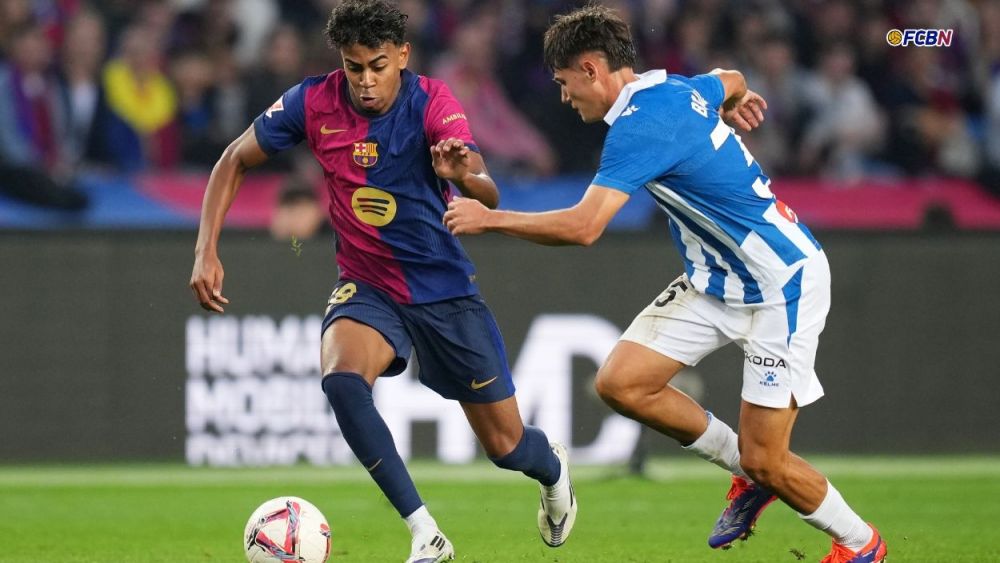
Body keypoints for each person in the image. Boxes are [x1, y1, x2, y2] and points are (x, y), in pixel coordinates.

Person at [444, 5, 886, 563]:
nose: (564, 96)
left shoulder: (640, 126)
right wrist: (733, 99)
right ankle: (748, 476)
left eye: (563, 81)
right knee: (622, 383)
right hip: (716, 279)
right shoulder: (676, 89)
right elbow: (731, 77)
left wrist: (491, 219)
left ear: (590, 68)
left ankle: (861, 544)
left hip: (781, 284)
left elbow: (584, 227)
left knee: (769, 460)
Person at [188, 2, 576, 562]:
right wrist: (206, 249)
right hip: (367, 284)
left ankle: (553, 468)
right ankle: (426, 533)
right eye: (354, 68)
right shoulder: (311, 102)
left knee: (506, 446)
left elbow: (488, 191)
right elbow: (233, 159)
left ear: (402, 55)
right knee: (342, 380)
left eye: (377, 66)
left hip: (443, 290)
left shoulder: (432, 101)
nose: (366, 81)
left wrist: (462, 174)